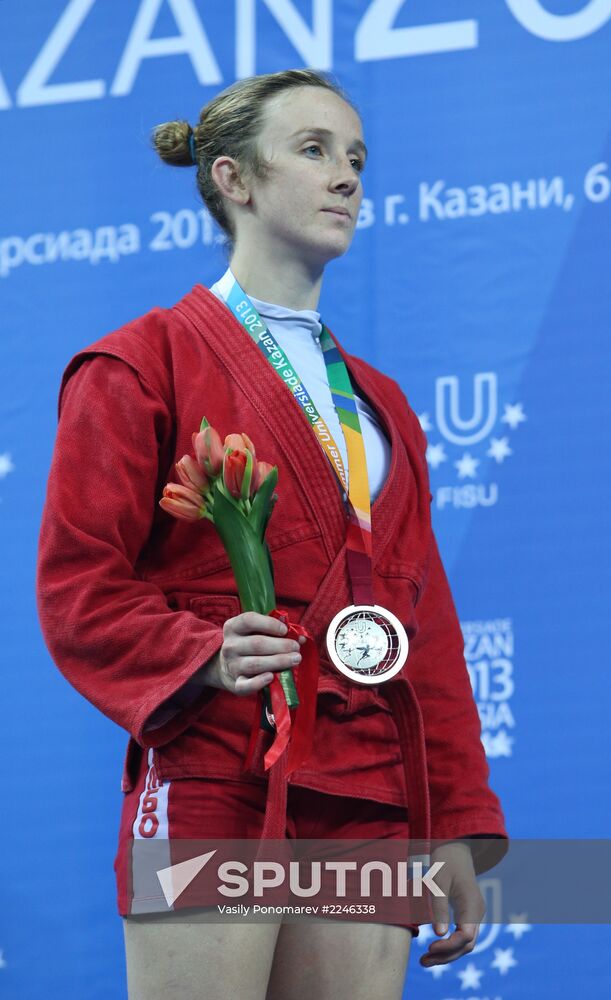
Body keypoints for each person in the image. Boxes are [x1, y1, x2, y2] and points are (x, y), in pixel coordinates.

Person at [36, 69, 507, 1000]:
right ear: (233, 180)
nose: (347, 177)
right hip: (220, 762)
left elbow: (428, 629)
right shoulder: (139, 365)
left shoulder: (386, 407)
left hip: (366, 785)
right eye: (314, 150)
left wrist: (449, 816)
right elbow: (78, 587)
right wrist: (200, 652)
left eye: (357, 159)